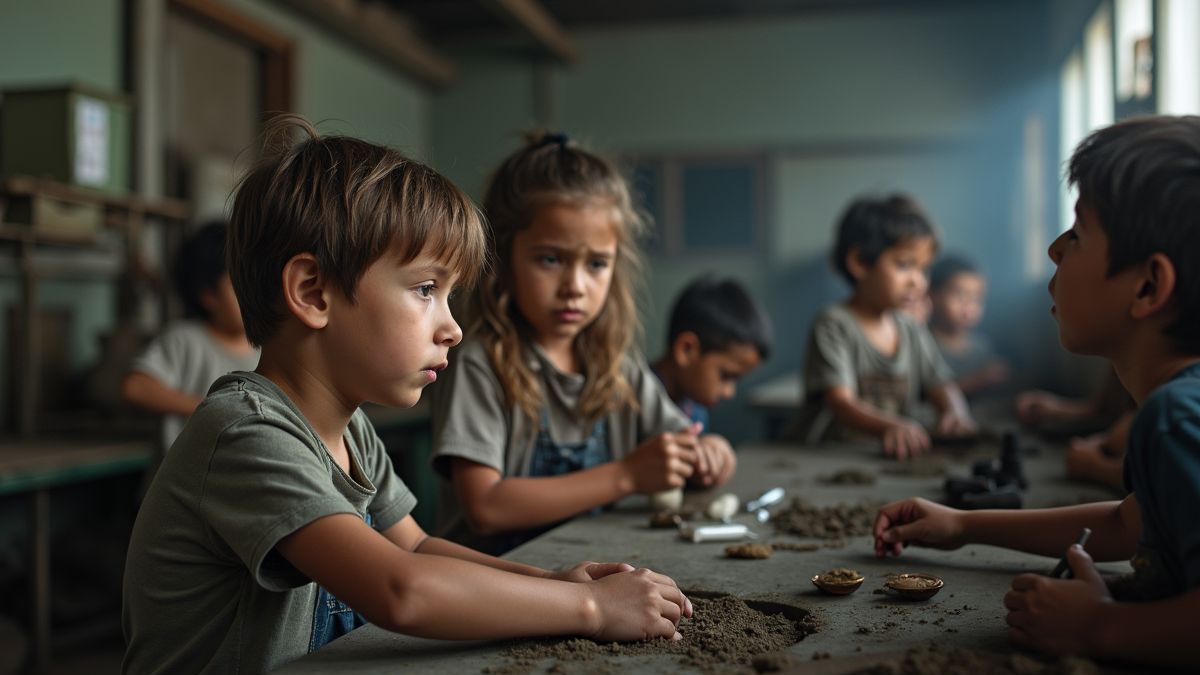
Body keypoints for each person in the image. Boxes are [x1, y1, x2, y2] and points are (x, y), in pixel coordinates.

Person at [122, 116, 692, 675]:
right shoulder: (247, 434)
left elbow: (415, 548)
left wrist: (550, 582)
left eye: (449, 296)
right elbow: (402, 590)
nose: (453, 327)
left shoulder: (349, 430)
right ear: (312, 291)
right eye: (426, 289)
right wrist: (590, 610)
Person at [872, 116, 1200, 667]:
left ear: (1148, 286)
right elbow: (1127, 524)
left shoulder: (1176, 415)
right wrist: (962, 525)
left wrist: (1101, 627)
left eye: (1077, 234)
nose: (1052, 249)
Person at [430, 132, 736, 554]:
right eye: (551, 259)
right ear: (501, 259)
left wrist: (710, 454)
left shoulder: (618, 369)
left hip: (590, 572)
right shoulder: (481, 364)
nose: (575, 286)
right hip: (496, 583)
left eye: (596, 264)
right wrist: (627, 476)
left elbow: (683, 444)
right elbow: (485, 507)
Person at [792, 194, 975, 457]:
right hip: (830, 456)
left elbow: (941, 382)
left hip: (882, 457)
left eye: (923, 269)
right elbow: (840, 402)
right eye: (904, 265)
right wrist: (892, 425)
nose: (918, 282)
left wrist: (955, 412)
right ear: (859, 262)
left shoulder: (910, 328)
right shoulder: (834, 325)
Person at [121, 221, 259, 473]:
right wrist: (213, 407)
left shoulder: (268, 347)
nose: (253, 294)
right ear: (208, 295)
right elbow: (136, 387)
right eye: (239, 284)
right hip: (186, 486)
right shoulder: (184, 340)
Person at [651, 276, 773, 430]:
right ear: (686, 350)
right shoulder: (632, 404)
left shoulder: (695, 410)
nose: (729, 393)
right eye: (726, 375)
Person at [927, 255, 1009, 397]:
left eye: (977, 298)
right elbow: (926, 397)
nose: (969, 306)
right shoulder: (925, 344)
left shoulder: (982, 345)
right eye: (959, 295)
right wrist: (977, 381)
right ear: (933, 295)